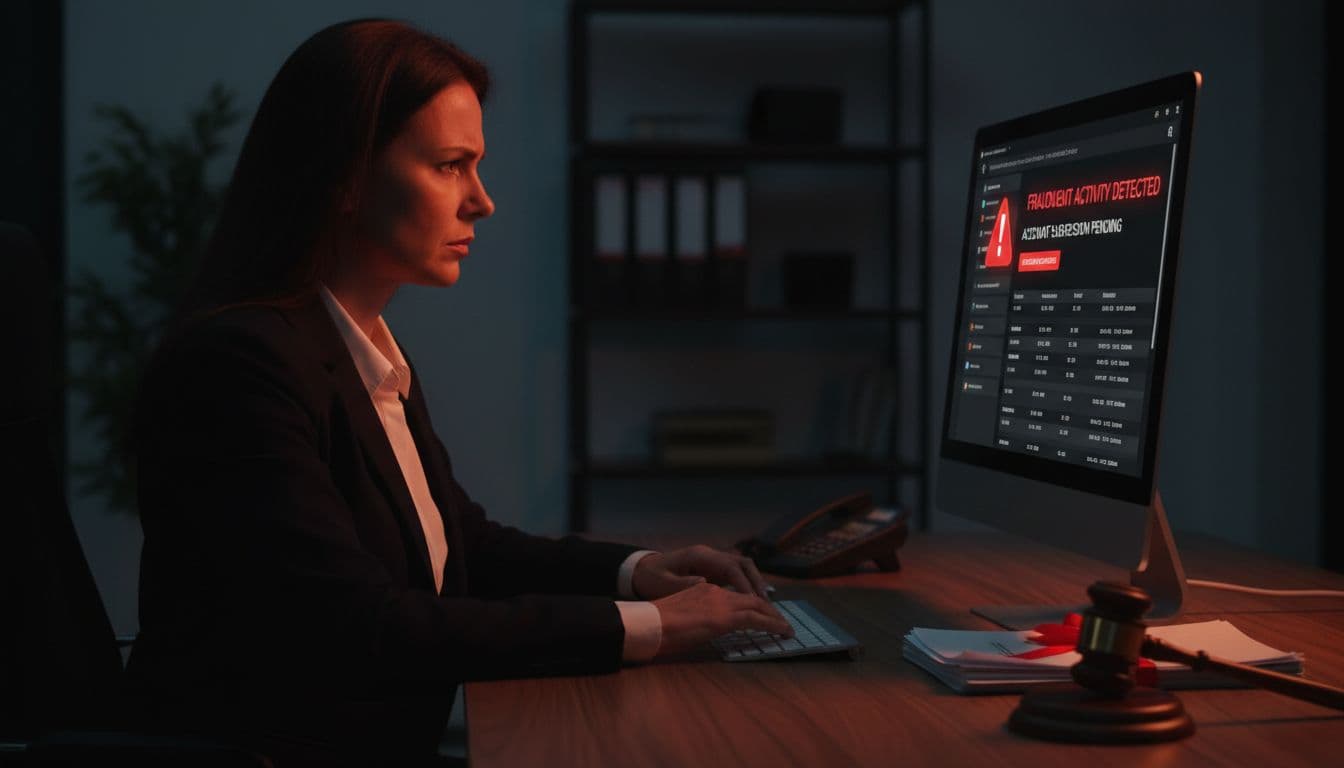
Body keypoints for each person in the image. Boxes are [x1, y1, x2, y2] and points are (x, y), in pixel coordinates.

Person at [128, 17, 792, 766]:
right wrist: (650, 628)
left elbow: (460, 546)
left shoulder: (360, 348)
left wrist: (639, 572)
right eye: (450, 166)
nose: (481, 201)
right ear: (345, 175)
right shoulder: (239, 367)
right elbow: (361, 623)